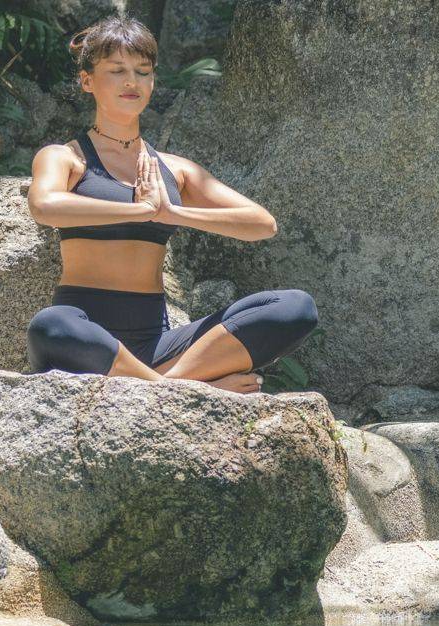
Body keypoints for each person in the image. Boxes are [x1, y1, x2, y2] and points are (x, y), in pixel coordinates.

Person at [23, 16, 317, 394]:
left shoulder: (175, 169)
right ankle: (180, 389)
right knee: (50, 326)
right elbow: (43, 206)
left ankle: (165, 385)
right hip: (86, 335)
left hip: (161, 346)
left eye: (142, 71)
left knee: (295, 307)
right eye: (117, 71)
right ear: (87, 81)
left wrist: (171, 213)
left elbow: (262, 224)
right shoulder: (66, 157)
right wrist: (139, 210)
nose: (132, 82)